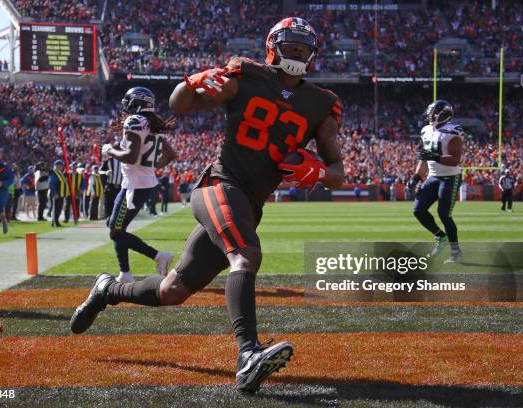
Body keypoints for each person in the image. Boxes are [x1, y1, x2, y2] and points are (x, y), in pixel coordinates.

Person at [71, 18, 344, 393]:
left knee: (172, 291)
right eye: (290, 46)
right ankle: (248, 355)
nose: (297, 54)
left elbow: (338, 171)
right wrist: (193, 82)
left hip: (248, 204)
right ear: (272, 47)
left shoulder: (320, 104)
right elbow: (180, 104)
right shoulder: (246, 75)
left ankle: (106, 290)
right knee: (245, 255)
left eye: (303, 49)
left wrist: (316, 170)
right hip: (219, 185)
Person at [73, 87, 176, 284]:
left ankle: (157, 256)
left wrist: (110, 150)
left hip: (134, 186)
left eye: (128, 102)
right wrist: (151, 166)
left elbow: (130, 155)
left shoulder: (135, 121)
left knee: (115, 229)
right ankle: (126, 273)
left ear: (136, 103)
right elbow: (170, 154)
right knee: (116, 228)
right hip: (142, 184)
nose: (126, 107)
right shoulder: (150, 122)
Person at [407, 100, 464, 264]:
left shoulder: (453, 131)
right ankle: (440, 236)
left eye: (432, 113)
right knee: (418, 210)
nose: (429, 116)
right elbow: (424, 159)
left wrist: (435, 157)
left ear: (442, 115)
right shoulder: (426, 130)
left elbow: (455, 159)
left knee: (444, 214)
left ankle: (456, 252)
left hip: (450, 177)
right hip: (432, 176)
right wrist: (415, 178)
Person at [48, 160, 69, 227]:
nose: (61, 166)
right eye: (60, 165)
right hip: (56, 193)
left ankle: (56, 221)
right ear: (56, 165)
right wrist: (54, 193)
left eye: (62, 165)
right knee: (55, 208)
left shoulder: (60, 173)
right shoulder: (54, 173)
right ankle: (54, 222)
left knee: (59, 208)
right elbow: (51, 184)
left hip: (61, 193)